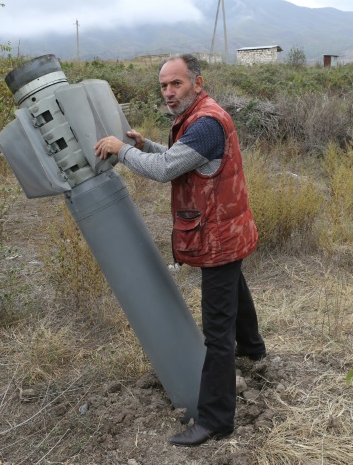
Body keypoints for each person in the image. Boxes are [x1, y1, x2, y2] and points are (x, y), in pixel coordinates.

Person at [94, 54, 266, 447]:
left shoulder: (206, 123)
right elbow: (187, 160)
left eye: (176, 84)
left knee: (217, 334)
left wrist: (121, 150)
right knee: (233, 286)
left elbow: (166, 170)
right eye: (163, 86)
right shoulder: (201, 118)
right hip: (230, 229)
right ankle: (255, 350)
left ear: (197, 83)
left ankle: (216, 421)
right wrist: (146, 144)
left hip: (219, 237)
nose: (169, 93)